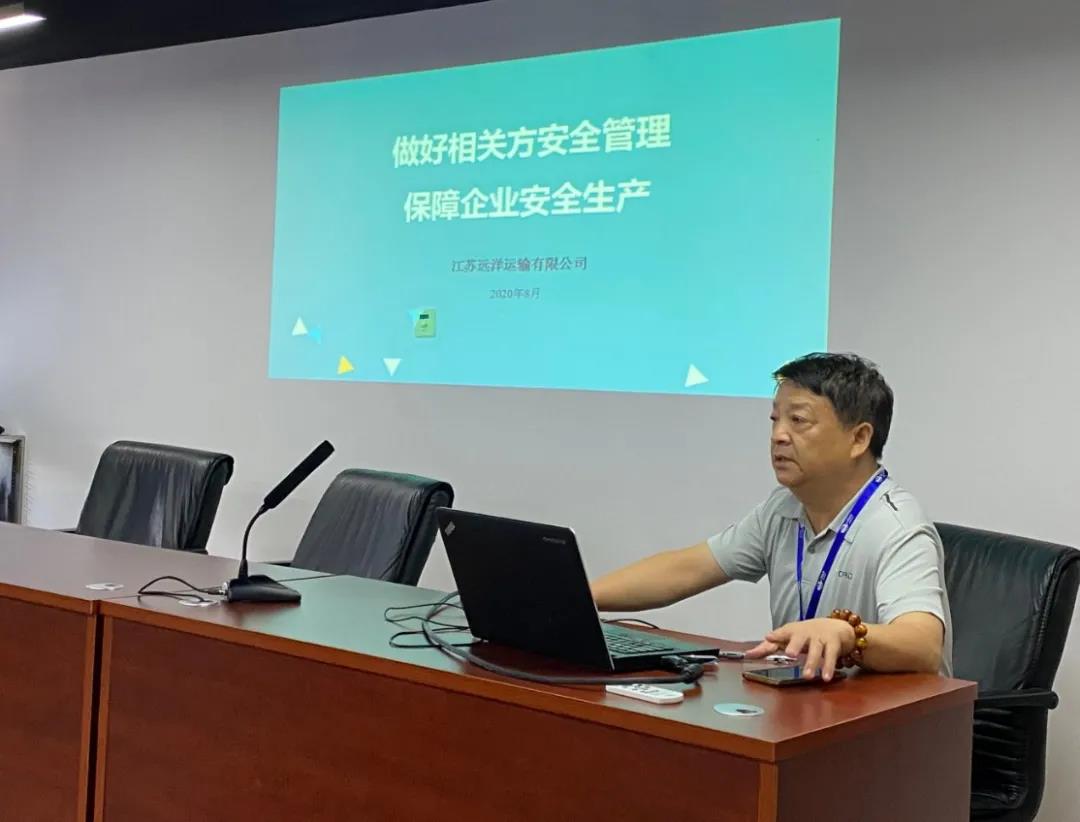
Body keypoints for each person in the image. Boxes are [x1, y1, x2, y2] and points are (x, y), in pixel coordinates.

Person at [592, 352, 952, 680]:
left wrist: (848, 634)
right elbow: (687, 568)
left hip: (892, 720)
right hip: (811, 705)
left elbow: (923, 644)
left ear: (858, 439)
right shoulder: (783, 508)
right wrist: (582, 598)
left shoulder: (895, 526)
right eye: (775, 420)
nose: (778, 435)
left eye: (798, 421)